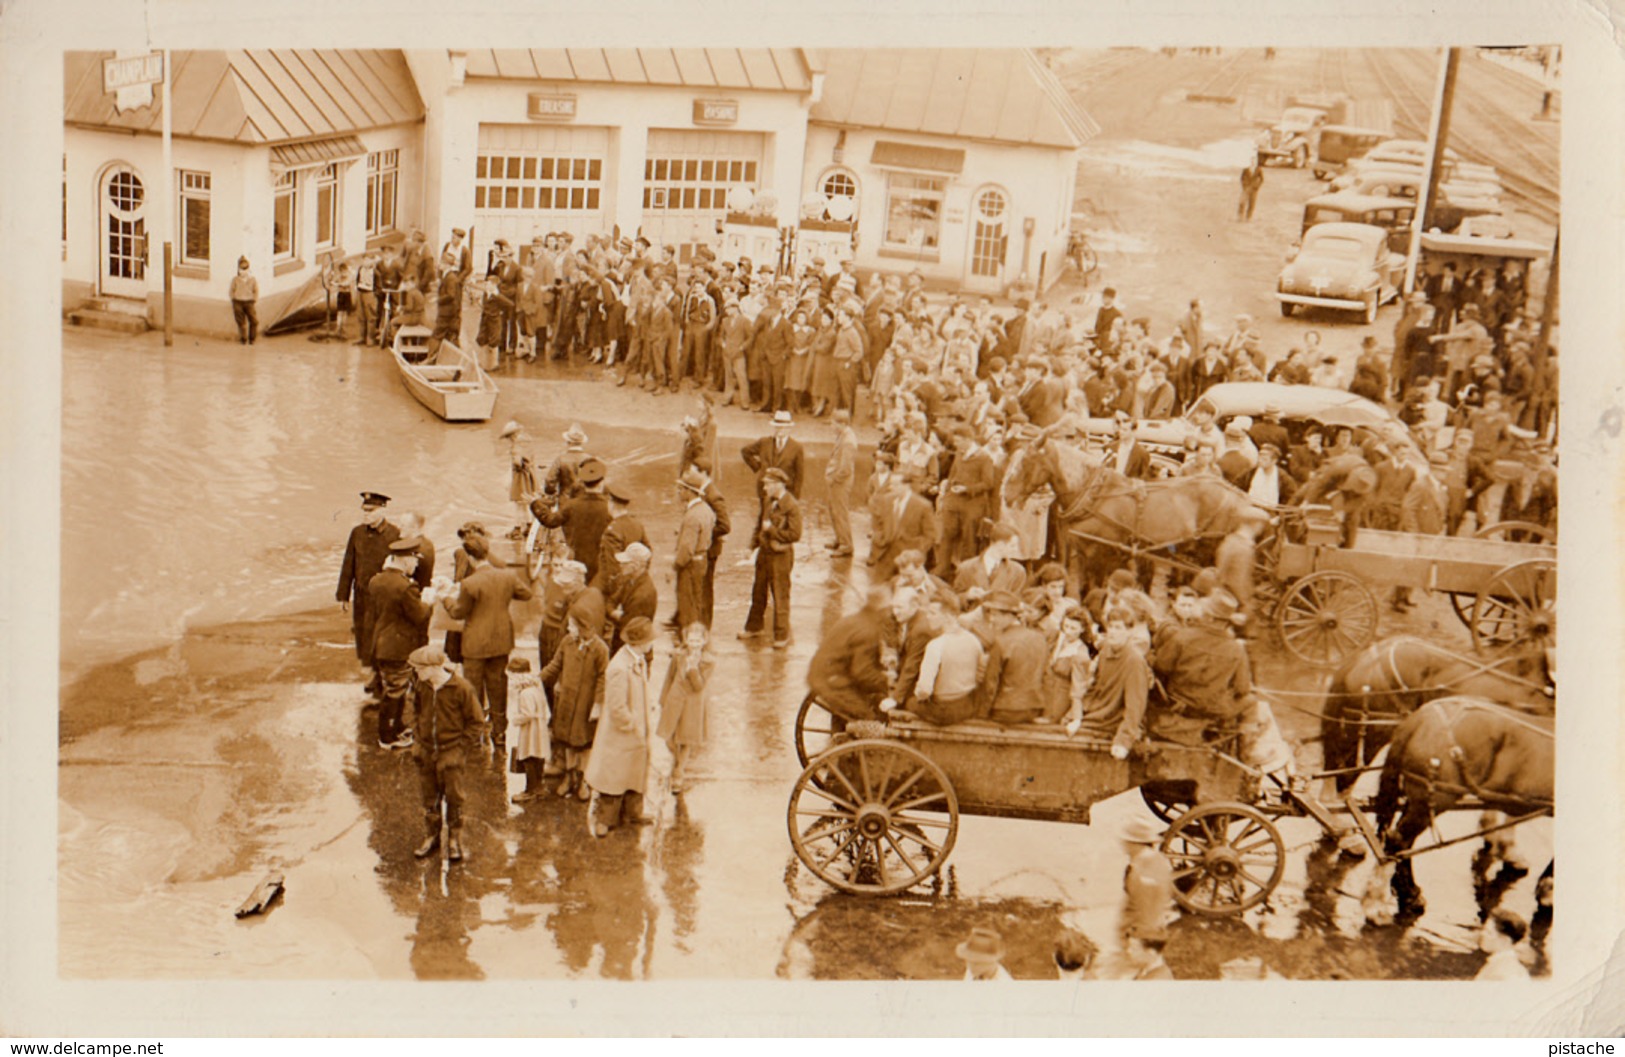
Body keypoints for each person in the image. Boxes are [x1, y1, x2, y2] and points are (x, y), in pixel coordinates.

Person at [442, 532, 534, 760]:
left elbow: (457, 612)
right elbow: (526, 594)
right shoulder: (507, 577)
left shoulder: (470, 583)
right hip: (501, 639)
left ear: (471, 558)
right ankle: (499, 733)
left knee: (473, 689)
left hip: (475, 643)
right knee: (498, 684)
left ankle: (474, 734)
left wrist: (445, 598)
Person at [408, 645, 486, 863]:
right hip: (426, 752)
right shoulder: (422, 685)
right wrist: (418, 739)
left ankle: (454, 839)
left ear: (433, 667)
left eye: (419, 668)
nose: (416, 673)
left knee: (454, 797)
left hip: (451, 754)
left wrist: (459, 750)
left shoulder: (461, 688)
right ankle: (432, 836)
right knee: (429, 798)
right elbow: (414, 710)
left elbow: (477, 723)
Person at [585, 615, 658, 837]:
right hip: (621, 735)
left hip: (634, 733)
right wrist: (631, 724)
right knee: (614, 780)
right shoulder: (619, 667)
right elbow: (617, 707)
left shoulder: (637, 659)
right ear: (639, 642)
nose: (652, 642)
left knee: (633, 776)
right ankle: (605, 820)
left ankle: (634, 813)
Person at [541, 590, 609, 801]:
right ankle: (569, 778)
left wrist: (598, 704)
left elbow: (602, 679)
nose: (568, 629)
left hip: (585, 704)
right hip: (567, 701)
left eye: (571, 625)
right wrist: (537, 679)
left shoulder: (600, 649)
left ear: (581, 626)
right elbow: (555, 665)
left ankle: (583, 780)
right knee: (568, 742)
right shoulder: (566, 643)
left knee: (583, 743)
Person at [368, 538, 437, 749]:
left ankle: (396, 728)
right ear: (406, 560)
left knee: (392, 688)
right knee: (395, 691)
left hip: (381, 641)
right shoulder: (406, 587)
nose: (416, 565)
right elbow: (419, 616)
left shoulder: (376, 580)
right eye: (414, 561)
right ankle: (387, 736)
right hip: (398, 646)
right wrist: (428, 600)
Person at [336, 491, 401, 698]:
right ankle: (373, 673)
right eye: (364, 510)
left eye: (370, 511)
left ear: (382, 510)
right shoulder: (357, 533)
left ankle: (382, 675)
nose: (366, 515)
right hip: (362, 596)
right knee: (364, 635)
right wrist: (343, 595)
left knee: (381, 637)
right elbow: (349, 563)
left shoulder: (394, 534)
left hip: (383, 598)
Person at [1065, 605, 1149, 756]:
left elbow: (1135, 705)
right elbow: (1095, 688)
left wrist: (1123, 741)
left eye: (1118, 628)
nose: (1113, 632)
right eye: (1111, 627)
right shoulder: (1106, 651)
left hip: (1111, 720)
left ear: (1129, 631)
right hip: (1097, 712)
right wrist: (1076, 714)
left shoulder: (1134, 660)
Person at [806, 585, 893, 723]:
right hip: (832, 683)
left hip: (825, 673)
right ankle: (859, 742)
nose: (891, 613)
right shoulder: (868, 630)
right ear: (883, 610)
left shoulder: (855, 619)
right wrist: (886, 681)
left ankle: (839, 734)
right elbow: (862, 672)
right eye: (890, 609)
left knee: (857, 703)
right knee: (868, 718)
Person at [741, 468, 803, 649]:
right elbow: (759, 526)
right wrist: (751, 547)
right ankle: (754, 627)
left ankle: (782, 635)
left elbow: (795, 534)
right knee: (758, 591)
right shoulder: (768, 501)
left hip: (780, 556)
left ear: (779, 484)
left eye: (768, 484)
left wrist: (772, 531)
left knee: (780, 595)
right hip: (765, 553)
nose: (765, 487)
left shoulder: (791, 506)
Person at [532, 456, 613, 583]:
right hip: (601, 562)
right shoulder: (609, 507)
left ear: (582, 481)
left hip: (577, 560)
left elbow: (551, 521)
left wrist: (535, 503)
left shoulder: (572, 506)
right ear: (601, 482)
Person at [656, 622, 715, 794]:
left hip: (692, 704)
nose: (694, 644)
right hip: (674, 699)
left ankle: (679, 773)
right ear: (686, 639)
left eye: (698, 641)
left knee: (686, 740)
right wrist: (663, 700)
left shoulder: (708, 661)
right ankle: (677, 760)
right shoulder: (678, 655)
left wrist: (693, 669)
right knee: (669, 737)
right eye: (691, 640)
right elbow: (670, 677)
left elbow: (699, 686)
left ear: (704, 641)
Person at [979, 589, 1047, 725]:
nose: (991, 620)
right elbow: (1046, 676)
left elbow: (990, 685)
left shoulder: (1001, 642)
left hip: (1006, 711)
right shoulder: (1040, 638)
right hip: (1034, 709)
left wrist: (982, 714)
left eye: (995, 615)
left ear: (1010, 616)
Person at [1119, 816, 1176, 951]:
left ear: (1135, 843)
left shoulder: (1140, 869)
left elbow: (1145, 908)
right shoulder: (1158, 860)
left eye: (1126, 841)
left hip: (1143, 937)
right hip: (1155, 931)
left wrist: (1131, 938)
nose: (1123, 844)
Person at [672, 467, 716, 631]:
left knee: (687, 607)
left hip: (690, 566)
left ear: (690, 491)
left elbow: (686, 550)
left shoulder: (692, 516)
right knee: (697, 602)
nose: (679, 492)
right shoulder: (706, 510)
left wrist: (674, 566)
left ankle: (688, 644)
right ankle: (696, 639)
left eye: (681, 488)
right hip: (701, 561)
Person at [741, 411, 806, 513]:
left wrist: (795, 497)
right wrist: (758, 467)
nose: (780, 430)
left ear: (789, 429)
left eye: (783, 427)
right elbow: (745, 451)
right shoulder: (764, 442)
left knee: (781, 521)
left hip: (785, 491)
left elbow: (799, 476)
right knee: (764, 519)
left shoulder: (796, 448)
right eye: (777, 427)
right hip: (765, 489)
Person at [507, 657, 551, 804]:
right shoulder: (536, 689)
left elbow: (528, 714)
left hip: (530, 731)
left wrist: (516, 719)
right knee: (538, 757)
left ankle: (530, 790)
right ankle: (539, 787)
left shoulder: (525, 693)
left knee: (528, 758)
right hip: (539, 729)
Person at [606, 541, 659, 654]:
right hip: (627, 643)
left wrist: (613, 613)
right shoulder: (630, 580)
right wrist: (613, 612)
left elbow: (626, 624)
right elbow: (611, 601)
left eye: (625, 562)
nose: (620, 565)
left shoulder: (643, 594)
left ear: (635, 566)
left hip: (634, 648)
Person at [825, 408, 858, 558]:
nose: (831, 426)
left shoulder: (848, 441)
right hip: (837, 481)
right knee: (834, 511)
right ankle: (839, 538)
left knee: (840, 512)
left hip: (841, 483)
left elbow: (845, 468)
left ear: (842, 423)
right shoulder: (843, 435)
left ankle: (846, 544)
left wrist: (834, 479)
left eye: (833, 423)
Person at [1475, 909, 1531, 980]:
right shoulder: (1502, 964)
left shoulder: (1503, 972)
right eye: (1483, 929)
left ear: (1505, 940)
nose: (1482, 934)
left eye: (1489, 932)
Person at [230, 256, 260, 345]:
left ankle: (252, 338)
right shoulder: (235, 280)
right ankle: (243, 339)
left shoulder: (252, 280)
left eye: (245, 269)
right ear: (238, 270)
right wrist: (234, 299)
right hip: (238, 302)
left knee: (254, 321)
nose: (243, 272)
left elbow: (256, 291)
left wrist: (254, 299)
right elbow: (232, 290)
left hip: (249, 302)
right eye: (242, 269)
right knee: (241, 322)